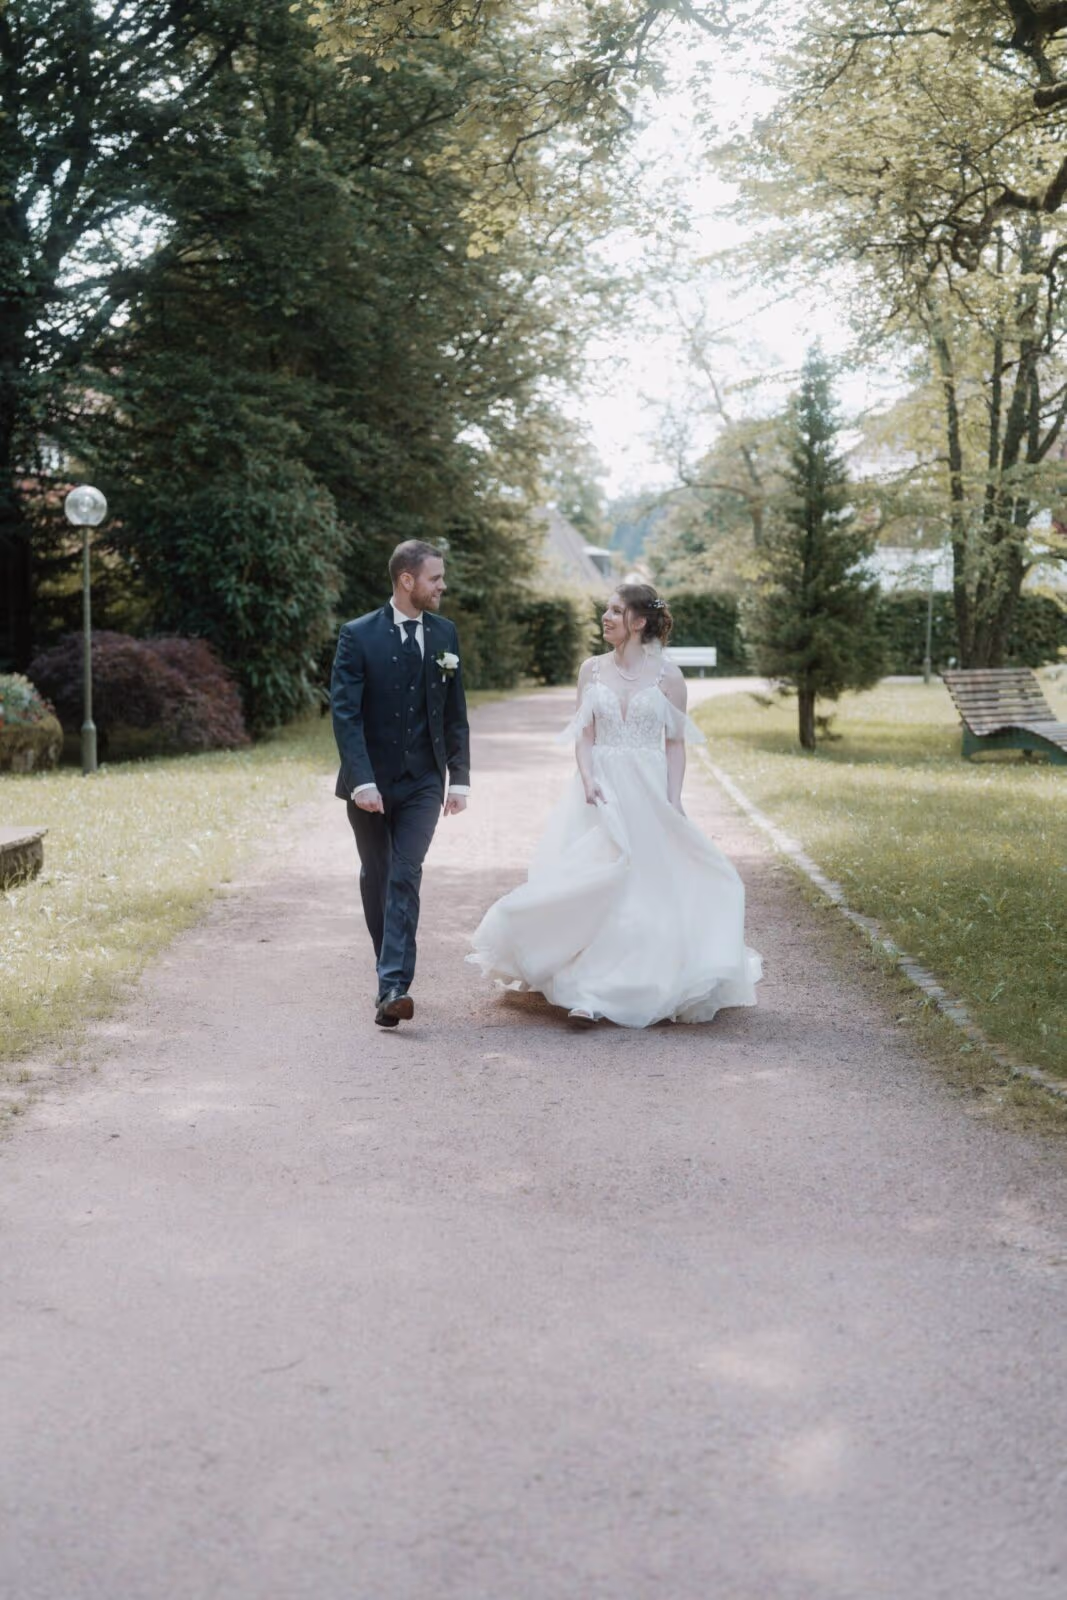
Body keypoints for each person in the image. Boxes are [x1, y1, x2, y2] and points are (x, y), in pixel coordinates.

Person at [468, 583, 761, 1028]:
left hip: (647, 791)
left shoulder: (669, 678)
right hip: (599, 790)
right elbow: (584, 736)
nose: (605, 617)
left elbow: (676, 744)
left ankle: (612, 985)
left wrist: (673, 798)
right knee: (591, 885)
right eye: (605, 609)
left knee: (641, 889)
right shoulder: (592, 670)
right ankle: (583, 990)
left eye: (615, 611)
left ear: (639, 622)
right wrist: (588, 779)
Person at [332, 540, 470, 1028]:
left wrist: (461, 779)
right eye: (435, 577)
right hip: (369, 783)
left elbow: (456, 714)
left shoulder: (445, 634)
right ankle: (387, 974)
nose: (442, 585)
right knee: (377, 875)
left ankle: (394, 985)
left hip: (423, 783)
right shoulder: (358, 635)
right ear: (407, 580)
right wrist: (362, 781)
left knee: (405, 872)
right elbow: (345, 715)